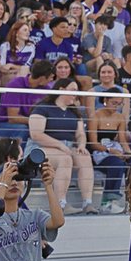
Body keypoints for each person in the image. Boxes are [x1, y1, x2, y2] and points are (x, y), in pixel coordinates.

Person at [0, 153, 63, 261]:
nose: (14, 183)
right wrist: (3, 184)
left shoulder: (34, 216)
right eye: (10, 179)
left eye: (18, 178)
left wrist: (49, 186)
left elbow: (58, 221)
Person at [28, 78, 96, 214]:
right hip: (41, 149)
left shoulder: (74, 112)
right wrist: (59, 145)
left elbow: (80, 134)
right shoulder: (43, 108)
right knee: (65, 159)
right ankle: (61, 204)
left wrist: (82, 145)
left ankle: (87, 203)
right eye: (73, 90)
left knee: (85, 158)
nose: (76, 94)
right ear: (61, 90)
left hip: (67, 148)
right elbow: (36, 134)